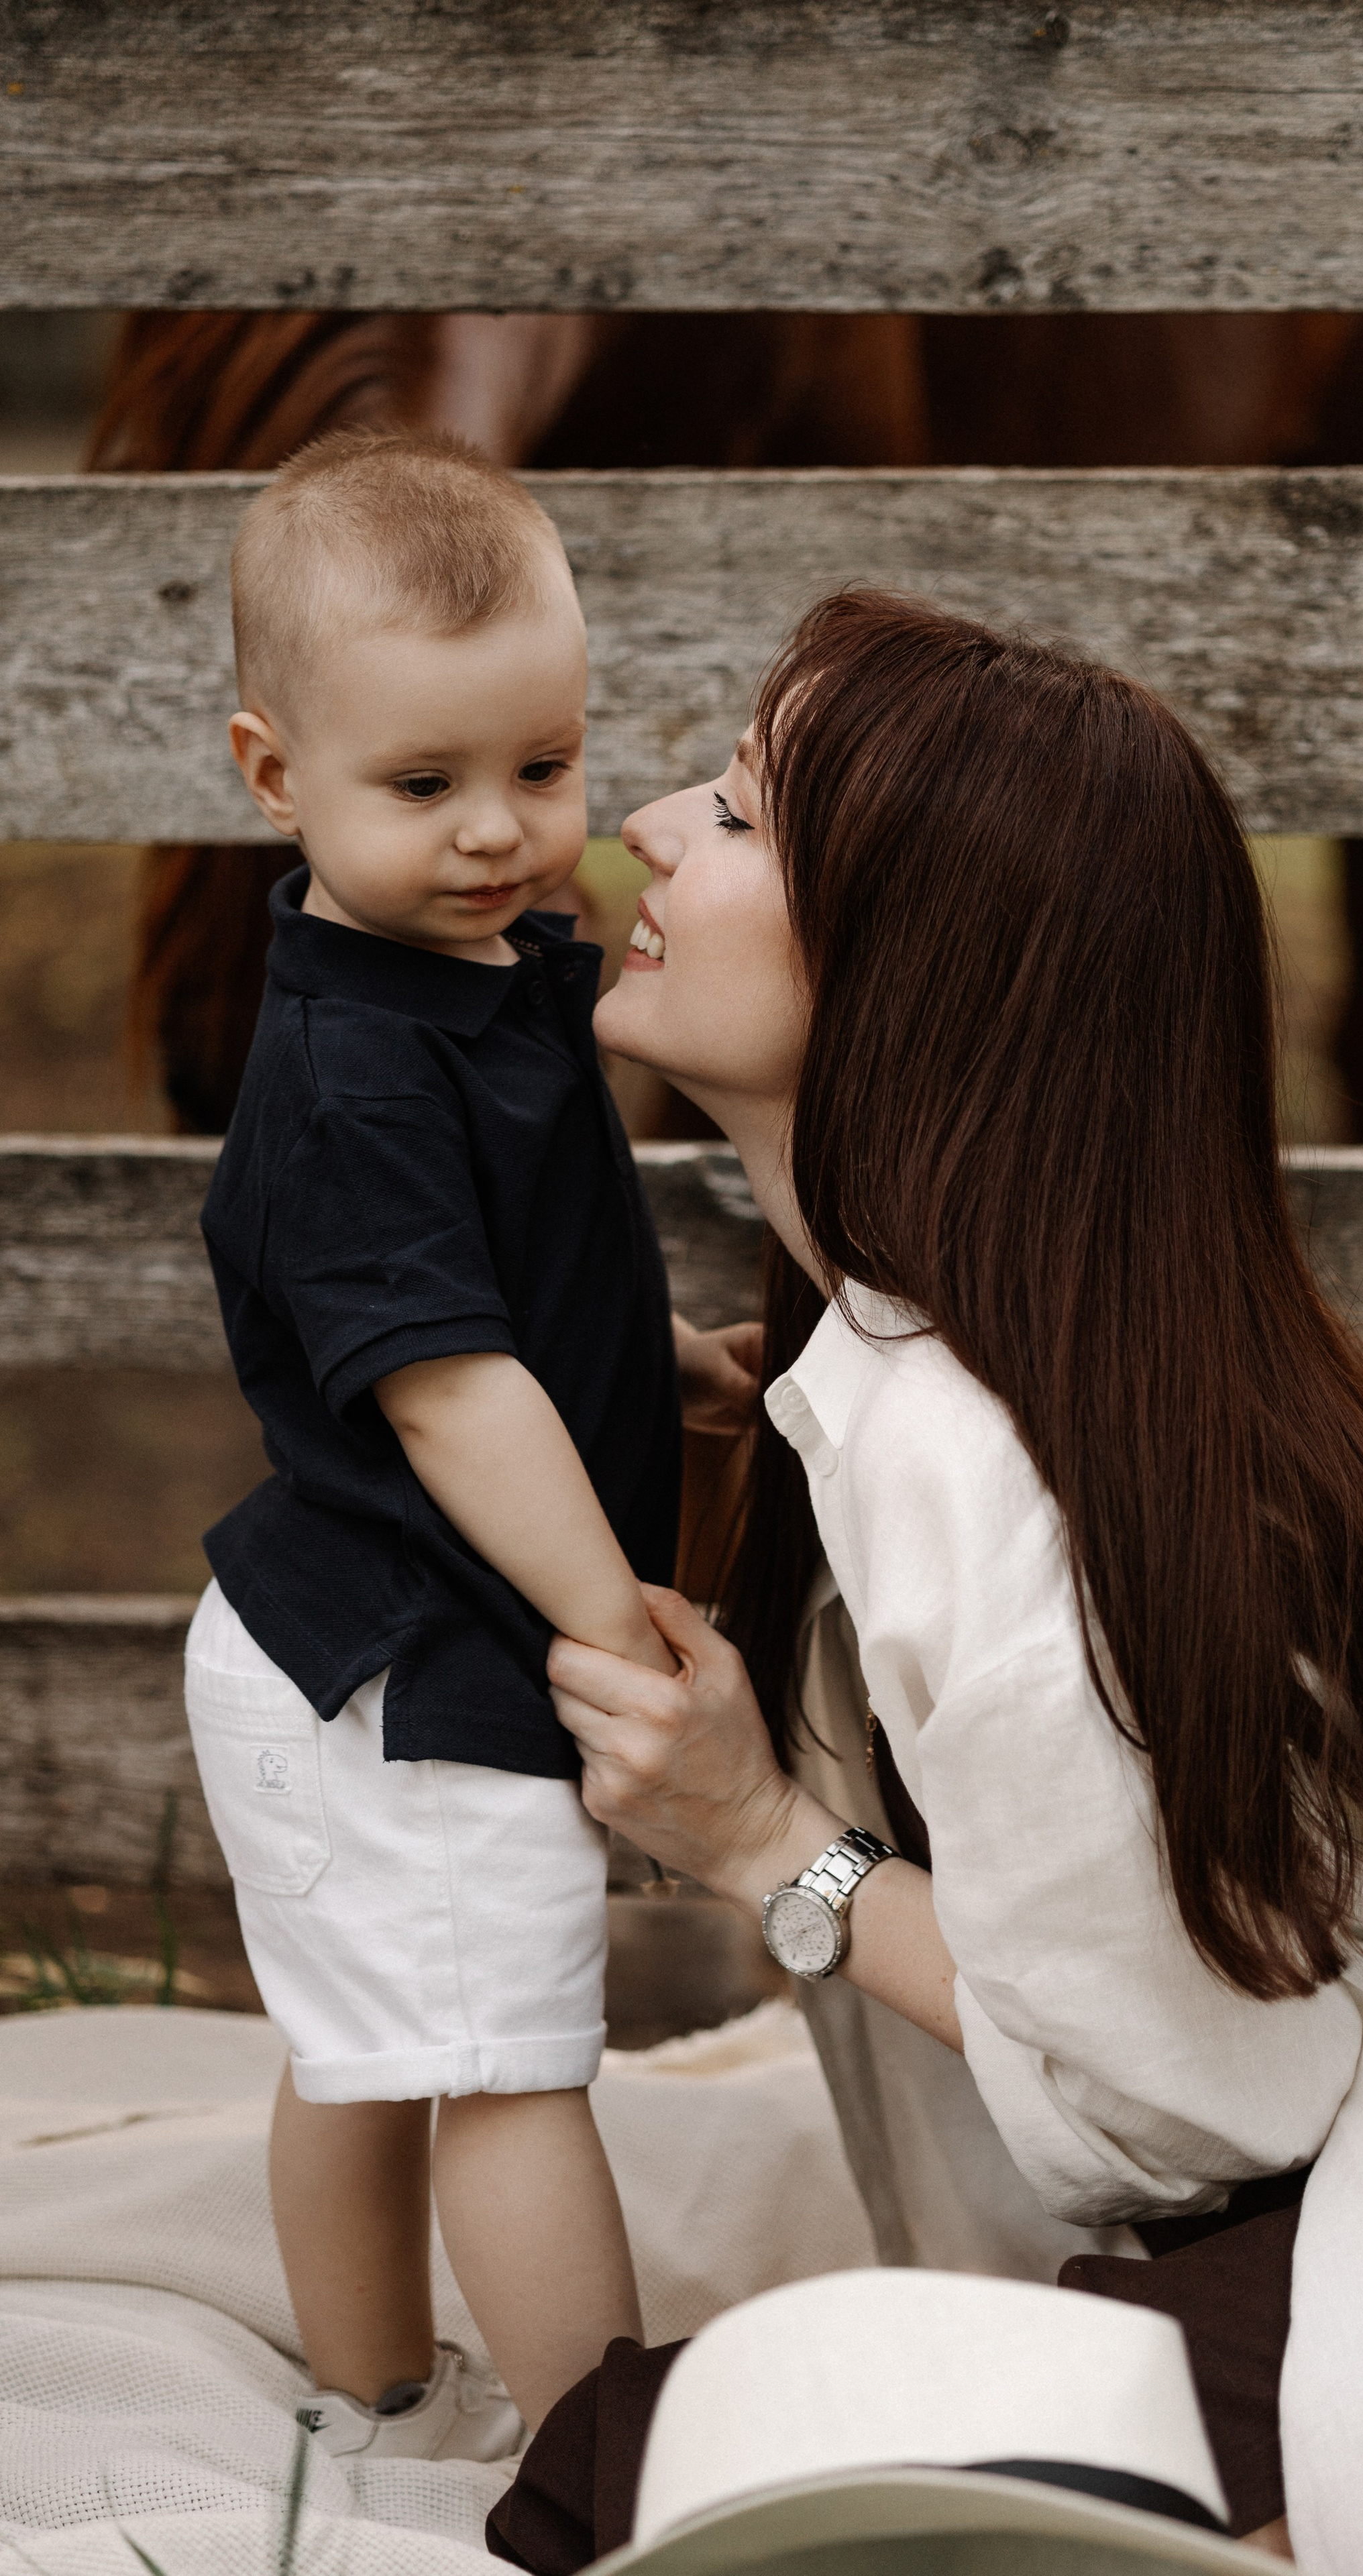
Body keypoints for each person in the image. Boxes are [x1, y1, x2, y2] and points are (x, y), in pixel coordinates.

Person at [501, 592, 1363, 2576]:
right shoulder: (970, 1355)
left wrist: (767, 1846)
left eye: (734, 817)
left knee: (622, 2490)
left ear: (915, 966)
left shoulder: (994, 1473)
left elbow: (1208, 2097)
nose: (646, 825)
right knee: (693, 2467)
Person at [183, 427, 758, 2458]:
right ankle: (611, 2457)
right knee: (504, 2059)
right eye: (423, 787)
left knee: (368, 2042)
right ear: (277, 777)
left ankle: (363, 2390)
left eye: (543, 766)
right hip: (397, 1662)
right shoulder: (350, 1066)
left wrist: (668, 1359)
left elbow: (516, 1290)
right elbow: (445, 1384)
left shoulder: (475, 968)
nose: (503, 833)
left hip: (346, 1634)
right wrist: (613, 1613)